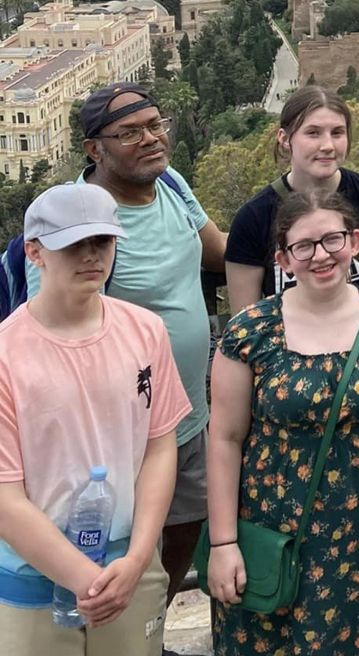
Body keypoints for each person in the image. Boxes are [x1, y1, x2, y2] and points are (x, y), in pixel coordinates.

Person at [22, 82, 227, 610]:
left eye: (157, 126)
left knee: (184, 525)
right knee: (107, 550)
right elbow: (45, 332)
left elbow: (218, 253)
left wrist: (302, 248)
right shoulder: (72, 222)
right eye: (131, 132)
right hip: (110, 440)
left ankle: (150, 627)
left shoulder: (174, 186)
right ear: (95, 149)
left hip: (186, 416)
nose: (152, 139)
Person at [207, 190, 359, 654]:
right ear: (283, 260)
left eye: (332, 240)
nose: (320, 255)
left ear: (354, 241)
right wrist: (223, 543)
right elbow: (225, 439)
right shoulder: (250, 331)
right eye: (303, 246)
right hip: (276, 532)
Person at [0, 184, 190, 654]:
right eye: (73, 245)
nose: (91, 256)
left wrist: (141, 555)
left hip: (132, 563)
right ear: (35, 253)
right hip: (33, 578)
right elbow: (6, 495)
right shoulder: (7, 353)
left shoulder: (144, 330)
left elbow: (160, 444)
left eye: (102, 242)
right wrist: (85, 578)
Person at [225, 85, 359, 313]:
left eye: (337, 133)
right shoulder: (253, 218)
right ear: (284, 138)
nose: (328, 145)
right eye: (313, 133)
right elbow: (244, 324)